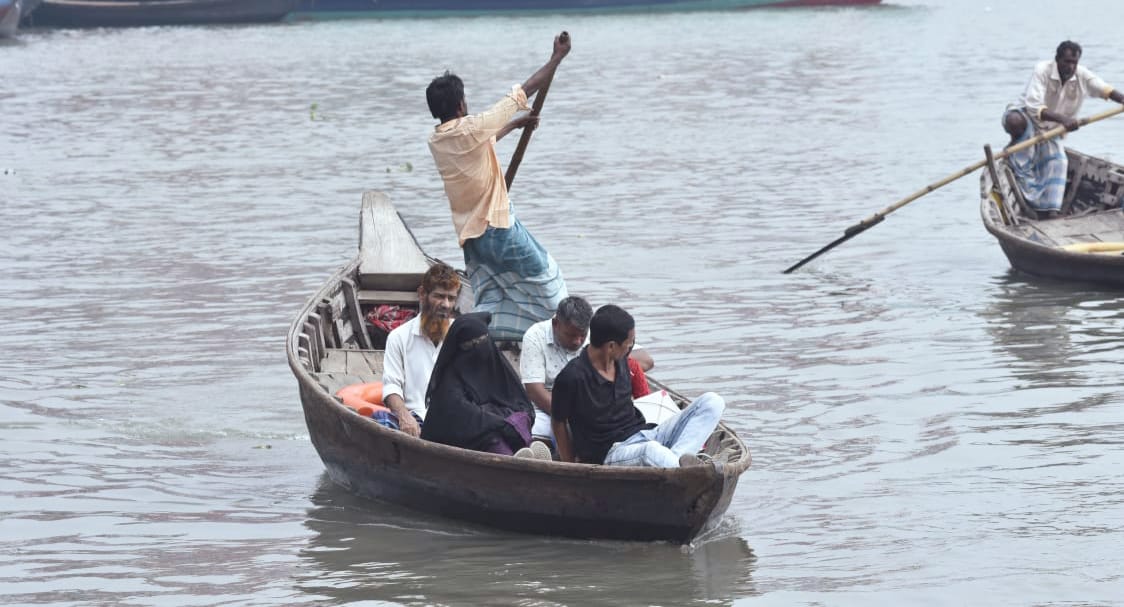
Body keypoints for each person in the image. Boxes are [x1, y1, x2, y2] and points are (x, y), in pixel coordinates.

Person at [425, 32, 572, 340]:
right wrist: (556, 58)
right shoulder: (472, 127)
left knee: (490, 301)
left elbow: (481, 142)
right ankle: (566, 339)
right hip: (496, 230)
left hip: (472, 243)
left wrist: (516, 125)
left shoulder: (438, 140)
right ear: (461, 104)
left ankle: (487, 341)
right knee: (551, 283)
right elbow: (524, 92)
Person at [551, 305, 724, 467]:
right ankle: (679, 467)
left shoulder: (622, 363)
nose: (630, 349)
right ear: (611, 346)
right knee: (652, 451)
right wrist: (570, 466)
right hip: (612, 452)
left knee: (712, 402)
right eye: (628, 345)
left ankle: (677, 461)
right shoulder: (571, 378)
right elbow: (558, 422)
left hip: (647, 434)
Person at [1003, 41, 1124, 218]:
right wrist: (1064, 120)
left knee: (1060, 162)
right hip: (1027, 118)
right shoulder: (1042, 70)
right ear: (1057, 59)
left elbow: (1105, 89)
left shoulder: (1082, 74)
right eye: (1067, 61)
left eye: (1074, 62)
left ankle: (1051, 211)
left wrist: (1122, 99)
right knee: (1015, 121)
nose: (1071, 66)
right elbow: (1033, 106)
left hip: (1051, 129)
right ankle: (1016, 149)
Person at [520, 296, 655, 442]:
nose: (577, 341)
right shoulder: (535, 336)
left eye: (582, 335)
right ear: (555, 323)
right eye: (570, 335)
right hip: (546, 409)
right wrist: (575, 418)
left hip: (594, 408)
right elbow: (535, 391)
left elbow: (646, 360)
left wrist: (610, 365)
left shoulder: (597, 333)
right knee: (529, 430)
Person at [420, 312, 538, 456]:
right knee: (492, 437)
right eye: (470, 344)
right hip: (464, 436)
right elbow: (461, 415)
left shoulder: (496, 365)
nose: (478, 347)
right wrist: (500, 424)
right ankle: (515, 460)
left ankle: (529, 453)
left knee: (519, 419)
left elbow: (521, 402)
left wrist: (510, 421)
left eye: (482, 341)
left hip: (497, 423)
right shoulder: (449, 380)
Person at [381, 262, 461, 438]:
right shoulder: (399, 337)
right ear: (422, 294)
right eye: (439, 296)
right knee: (380, 421)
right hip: (415, 423)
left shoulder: (461, 336)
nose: (446, 305)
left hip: (457, 419)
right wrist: (404, 416)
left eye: (451, 298)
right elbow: (391, 386)